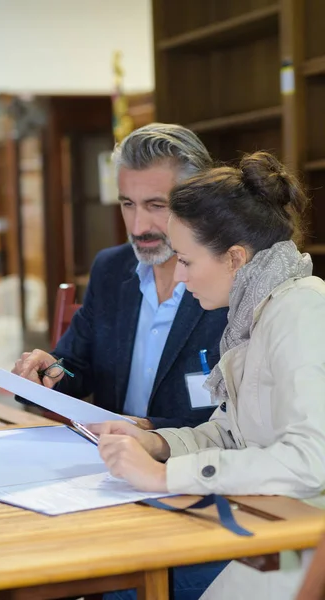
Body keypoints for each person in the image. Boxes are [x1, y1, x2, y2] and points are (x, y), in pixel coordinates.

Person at [91, 151, 325, 599]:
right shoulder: (255, 312)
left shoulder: (301, 312)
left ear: (235, 258)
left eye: (185, 260)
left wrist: (163, 478)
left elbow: (308, 463)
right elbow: (234, 434)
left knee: (126, 584)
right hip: (267, 523)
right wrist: (157, 444)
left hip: (298, 547)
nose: (178, 277)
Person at [13, 124, 228, 430]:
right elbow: (75, 368)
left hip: (188, 466)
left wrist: (148, 431)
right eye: (128, 204)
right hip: (106, 461)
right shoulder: (111, 268)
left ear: (199, 203)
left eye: (156, 205)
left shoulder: (228, 282)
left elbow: (237, 418)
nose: (138, 226)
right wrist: (51, 371)